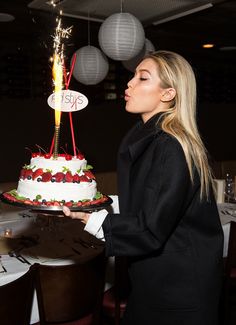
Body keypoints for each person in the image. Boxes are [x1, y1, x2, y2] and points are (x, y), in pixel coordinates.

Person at [63, 50, 224, 325]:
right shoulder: (150, 137)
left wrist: (94, 219)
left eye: (143, 78)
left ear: (168, 94)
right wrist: (94, 202)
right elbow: (149, 199)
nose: (129, 84)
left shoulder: (170, 146)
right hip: (156, 283)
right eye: (133, 75)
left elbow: (151, 227)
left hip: (179, 294)